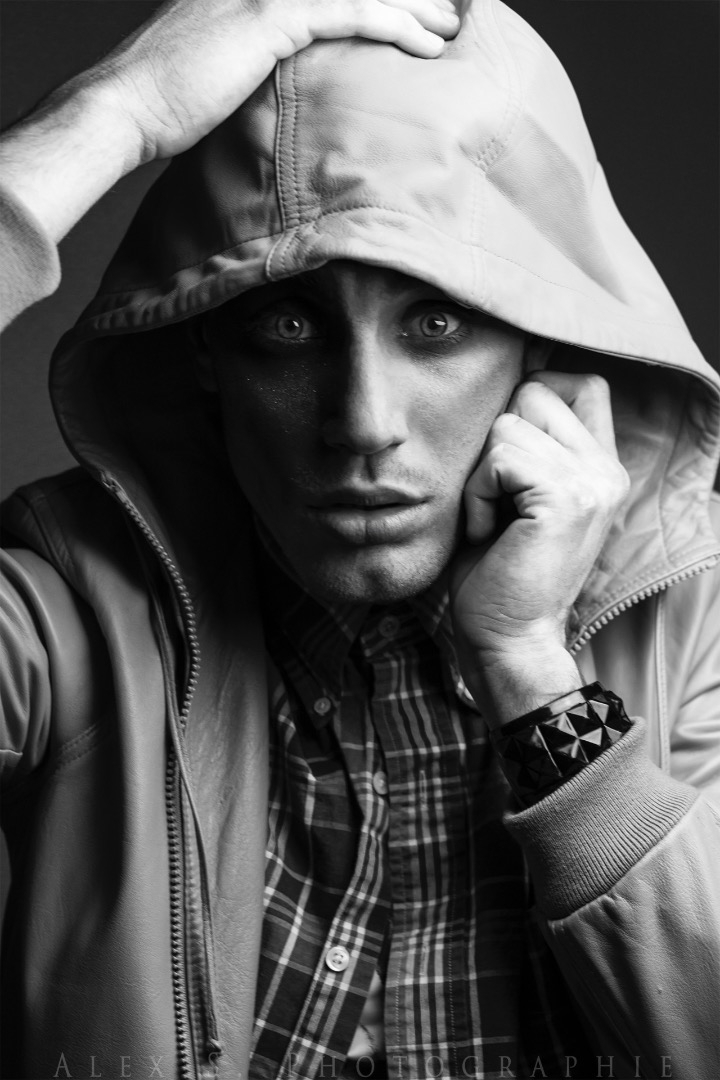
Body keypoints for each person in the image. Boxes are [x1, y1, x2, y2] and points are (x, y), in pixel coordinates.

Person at [1, 0, 719, 1078]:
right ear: (204, 353)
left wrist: (532, 673)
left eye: (436, 322)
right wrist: (117, 112)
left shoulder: (694, 619)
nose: (364, 421)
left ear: (543, 344)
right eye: (287, 326)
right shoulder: (68, 615)